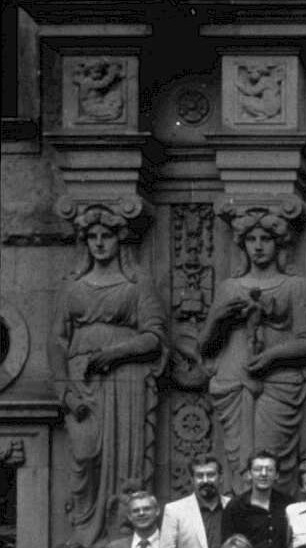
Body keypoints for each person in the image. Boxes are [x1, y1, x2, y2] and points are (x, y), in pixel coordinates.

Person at [50, 207, 167, 548]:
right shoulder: (72, 286)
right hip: (82, 381)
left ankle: (120, 530)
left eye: (106, 236)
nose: (99, 243)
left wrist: (113, 355)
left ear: (119, 240)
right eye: (92, 237)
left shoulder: (137, 283)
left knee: (124, 457)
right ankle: (85, 530)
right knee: (85, 454)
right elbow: (56, 341)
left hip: (126, 379)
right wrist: (66, 394)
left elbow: (154, 336)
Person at [198, 208, 306, 492]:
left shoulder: (296, 287)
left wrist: (272, 356)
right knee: (239, 463)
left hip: (278, 385)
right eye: (251, 239)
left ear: (279, 243)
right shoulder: (228, 289)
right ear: (242, 244)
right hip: (234, 383)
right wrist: (218, 320)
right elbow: (205, 346)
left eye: (266, 238)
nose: (259, 245)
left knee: (272, 461)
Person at [221, 450, 292, 548]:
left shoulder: (288, 505)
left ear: (277, 475)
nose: (263, 474)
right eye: (258, 469)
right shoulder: (235, 507)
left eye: (269, 469)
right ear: (249, 474)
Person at [160, 454, 232, 548]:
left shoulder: (234, 506)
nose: (205, 480)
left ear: (221, 478)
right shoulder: (174, 511)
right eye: (199, 476)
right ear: (192, 480)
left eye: (210, 475)